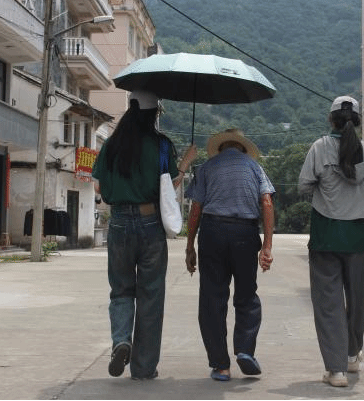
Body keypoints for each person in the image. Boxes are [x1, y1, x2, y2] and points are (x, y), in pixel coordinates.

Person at [91, 90, 197, 380]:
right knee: (151, 295)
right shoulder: (161, 145)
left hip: (119, 223)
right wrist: (184, 164)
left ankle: (121, 340)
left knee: (121, 290)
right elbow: (168, 188)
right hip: (150, 223)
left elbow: (98, 187)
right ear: (153, 115)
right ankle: (144, 367)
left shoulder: (111, 145)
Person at [298, 96, 364, 388]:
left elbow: (303, 185)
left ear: (330, 119)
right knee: (357, 299)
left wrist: (325, 190)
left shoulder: (320, 147)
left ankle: (336, 371)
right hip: (358, 236)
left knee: (328, 302)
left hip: (326, 235)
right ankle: (352, 355)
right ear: (357, 121)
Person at [184, 128, 275, 382]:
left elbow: (196, 209)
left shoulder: (206, 168)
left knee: (212, 299)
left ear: (221, 147)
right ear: (243, 148)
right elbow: (267, 202)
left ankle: (221, 366)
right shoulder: (255, 168)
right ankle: (245, 350)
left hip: (212, 232)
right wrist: (267, 246)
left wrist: (190, 246)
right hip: (245, 233)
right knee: (247, 295)